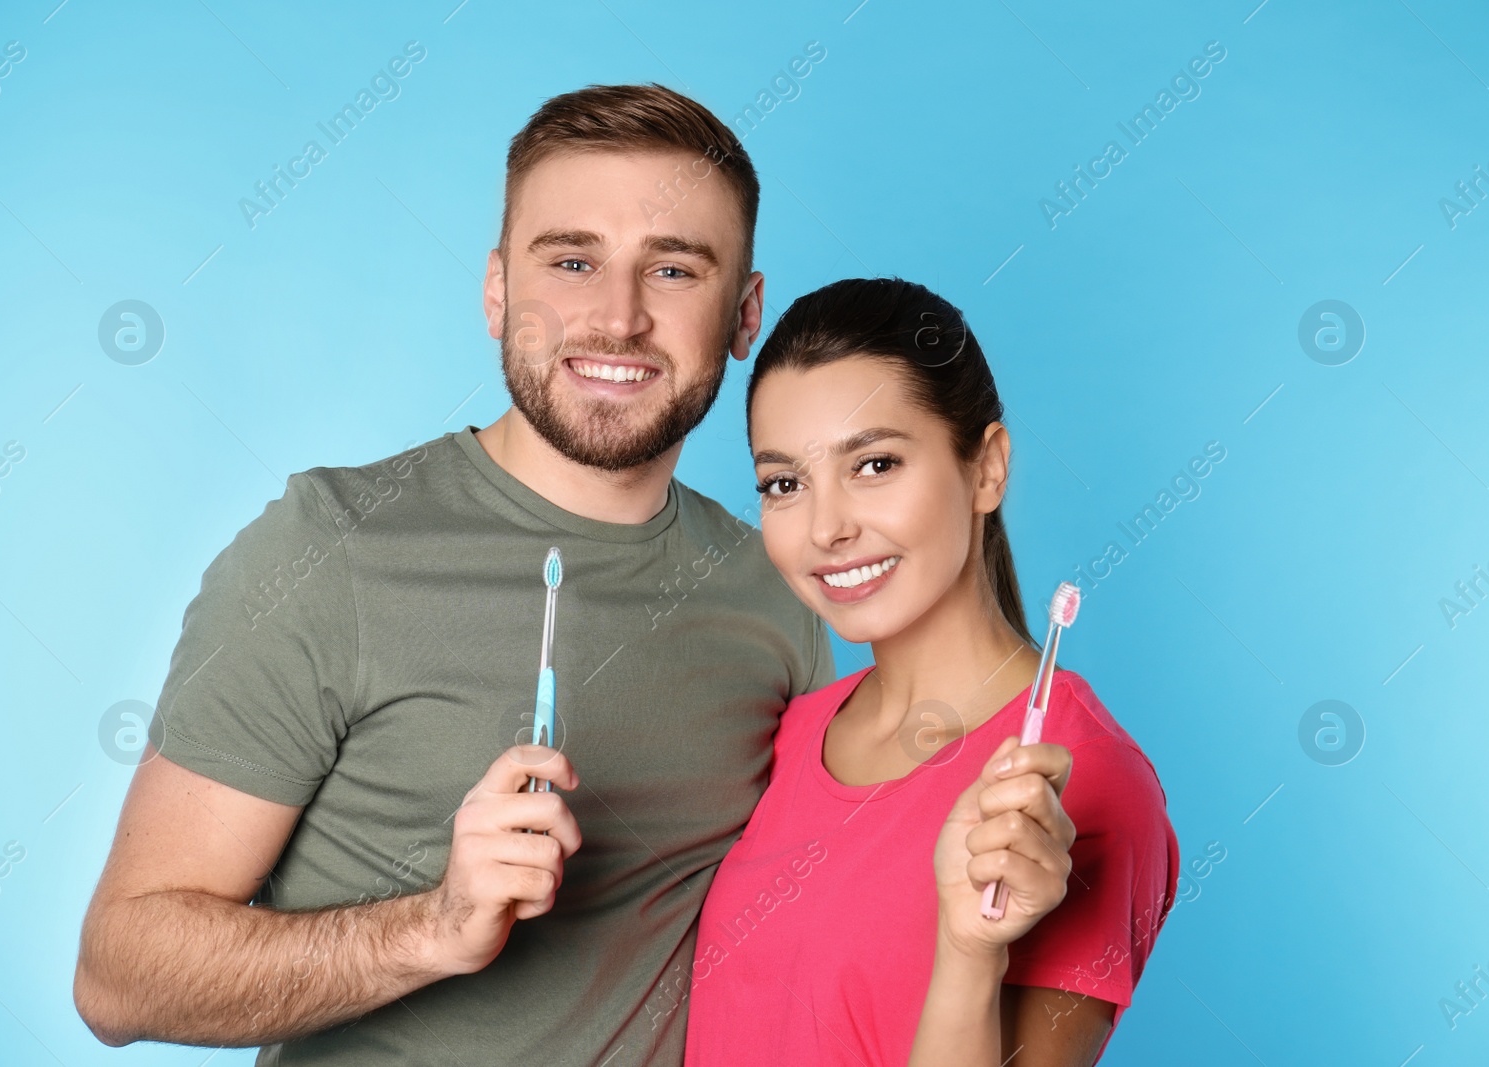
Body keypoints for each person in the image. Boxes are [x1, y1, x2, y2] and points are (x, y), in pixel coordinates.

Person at [72, 83, 836, 1064]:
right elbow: (118, 976)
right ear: (494, 291)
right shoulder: (331, 548)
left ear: (745, 311)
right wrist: (434, 927)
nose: (617, 316)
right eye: (570, 260)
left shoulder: (777, 588)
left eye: (675, 270)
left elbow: (813, 923)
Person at [684, 278, 1181, 1066]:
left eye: (875, 463)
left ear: (986, 468)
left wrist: (968, 948)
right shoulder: (790, 731)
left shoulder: (1085, 786)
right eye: (785, 482)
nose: (827, 527)